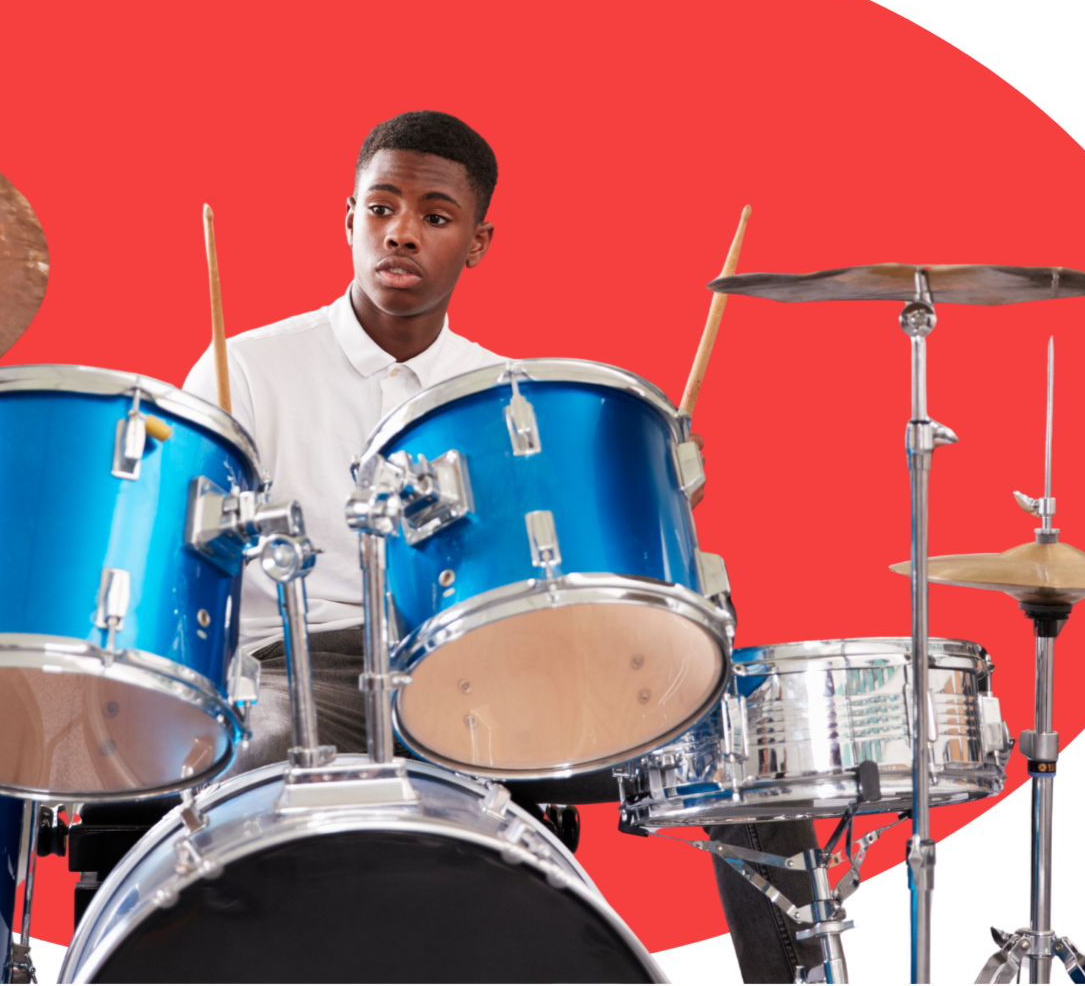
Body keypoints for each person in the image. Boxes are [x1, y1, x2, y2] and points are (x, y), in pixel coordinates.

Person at [179, 109, 824, 982]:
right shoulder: (247, 369)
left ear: (477, 242)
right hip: (306, 667)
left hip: (478, 667)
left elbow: (549, 561)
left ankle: (790, 975)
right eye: (381, 209)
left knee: (738, 725)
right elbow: (189, 551)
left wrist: (653, 496)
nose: (401, 232)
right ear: (350, 219)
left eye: (435, 216)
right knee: (263, 752)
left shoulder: (498, 391)